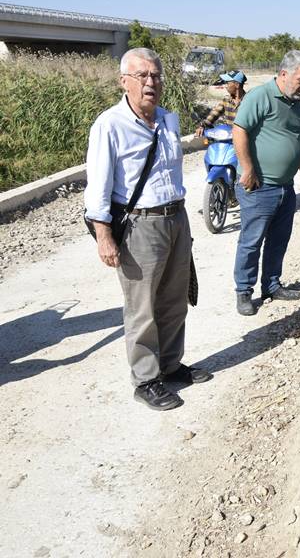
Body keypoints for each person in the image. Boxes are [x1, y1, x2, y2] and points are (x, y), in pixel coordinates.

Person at [84, 47, 211, 411]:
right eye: (142, 76)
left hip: (176, 218)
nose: (151, 82)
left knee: (174, 300)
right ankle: (145, 379)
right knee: (142, 308)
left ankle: (170, 366)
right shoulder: (109, 124)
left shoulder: (169, 120)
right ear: (124, 81)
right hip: (139, 225)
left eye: (156, 75)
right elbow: (98, 187)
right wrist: (104, 236)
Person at [231, 50, 300, 316]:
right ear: (283, 74)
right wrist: (247, 169)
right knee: (252, 241)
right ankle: (244, 291)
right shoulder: (260, 97)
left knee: (279, 240)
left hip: (285, 187)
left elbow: (298, 143)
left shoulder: (297, 107)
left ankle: (271, 285)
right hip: (259, 186)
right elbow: (240, 130)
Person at [194, 70, 247, 137]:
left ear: (237, 85)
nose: (225, 86)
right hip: (229, 138)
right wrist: (202, 126)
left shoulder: (248, 101)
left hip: (244, 139)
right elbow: (213, 115)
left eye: (228, 83)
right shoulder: (226, 100)